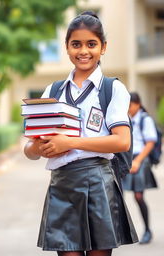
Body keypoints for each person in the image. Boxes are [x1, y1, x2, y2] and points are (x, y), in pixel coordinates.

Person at [24, 11, 138, 256]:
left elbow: (122, 141)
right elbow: (31, 150)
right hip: (62, 184)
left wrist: (69, 142)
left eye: (91, 44)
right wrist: (38, 148)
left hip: (98, 182)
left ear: (103, 47)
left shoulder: (112, 89)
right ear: (66, 47)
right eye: (76, 44)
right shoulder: (53, 90)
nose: (83, 51)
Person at [122, 92, 158, 245]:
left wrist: (137, 161)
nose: (128, 109)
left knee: (138, 196)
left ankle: (147, 230)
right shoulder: (125, 119)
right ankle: (119, 232)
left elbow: (150, 142)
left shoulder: (145, 119)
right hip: (124, 159)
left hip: (139, 159)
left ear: (138, 104)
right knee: (117, 197)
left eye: (130, 105)